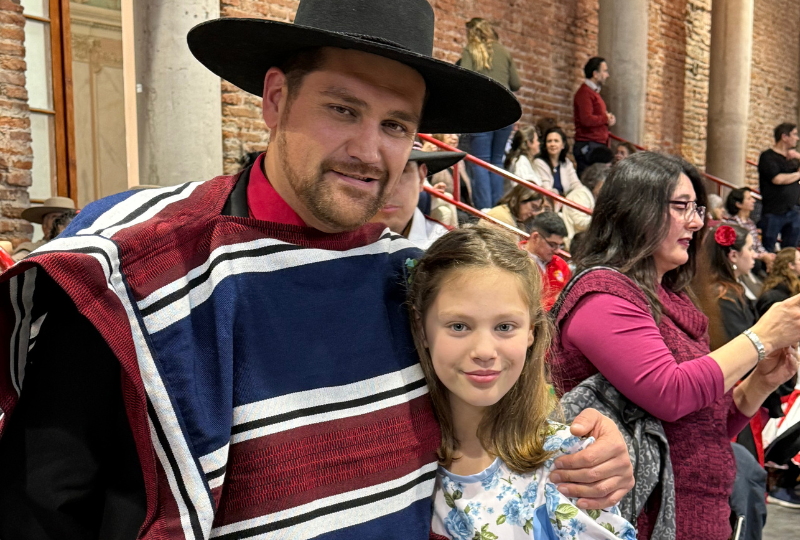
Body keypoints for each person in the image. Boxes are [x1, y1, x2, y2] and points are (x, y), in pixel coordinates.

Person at [0, 1, 634, 538]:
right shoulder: (140, 268)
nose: (368, 150)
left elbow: (491, 420)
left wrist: (586, 448)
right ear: (276, 99)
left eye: (395, 125)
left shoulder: (410, 279)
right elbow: (40, 504)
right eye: (342, 109)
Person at [550, 152, 800, 540]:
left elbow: (703, 426)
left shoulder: (675, 301)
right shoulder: (602, 296)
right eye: (682, 207)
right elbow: (671, 393)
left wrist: (761, 383)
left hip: (700, 515)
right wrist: (762, 337)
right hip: (641, 521)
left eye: (697, 208)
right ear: (637, 209)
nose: (696, 222)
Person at [408, 226, 636, 540]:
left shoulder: (569, 463)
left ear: (531, 330)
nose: (484, 351)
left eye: (505, 326)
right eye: (459, 326)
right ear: (422, 328)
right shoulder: (397, 465)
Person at [459, 18, 520, 209]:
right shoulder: (504, 52)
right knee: (496, 161)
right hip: (506, 111)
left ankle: (484, 211)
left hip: (481, 111)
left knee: (481, 162)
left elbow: (463, 77)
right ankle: (498, 210)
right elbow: (516, 83)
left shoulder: (471, 50)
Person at [371, 144, 465, 249]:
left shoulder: (451, 248)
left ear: (421, 177)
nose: (387, 191)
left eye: (400, 172)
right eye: (370, 174)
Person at [757, 122, 800, 252]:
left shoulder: (792, 158)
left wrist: (798, 156)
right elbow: (777, 179)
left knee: (790, 251)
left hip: (794, 209)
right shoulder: (767, 157)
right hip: (773, 211)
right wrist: (798, 174)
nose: (797, 138)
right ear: (784, 137)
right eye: (794, 134)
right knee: (768, 248)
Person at [573, 57, 615, 175]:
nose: (607, 75)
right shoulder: (585, 93)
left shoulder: (593, 93)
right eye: (604, 71)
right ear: (595, 74)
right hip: (589, 145)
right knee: (590, 179)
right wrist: (605, 118)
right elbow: (586, 119)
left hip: (596, 144)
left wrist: (607, 120)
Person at [521, 212, 571, 310]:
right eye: (552, 244)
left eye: (560, 245)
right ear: (535, 237)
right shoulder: (514, 262)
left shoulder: (561, 265)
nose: (557, 251)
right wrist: (556, 301)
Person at [12, 196, 77, 261]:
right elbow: (13, 263)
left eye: (68, 218)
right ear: (44, 225)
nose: (62, 223)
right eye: (56, 218)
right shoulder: (31, 250)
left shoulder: (79, 248)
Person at [724, 187, 775, 269]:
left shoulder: (750, 223)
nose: (753, 200)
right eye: (749, 198)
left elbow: (758, 246)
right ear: (738, 204)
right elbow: (739, 249)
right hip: (743, 259)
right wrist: (762, 256)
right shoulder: (732, 224)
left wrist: (767, 255)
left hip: (756, 258)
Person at [562, 163, 609, 247]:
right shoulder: (581, 193)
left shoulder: (594, 198)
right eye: (604, 184)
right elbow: (579, 222)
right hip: (573, 241)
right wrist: (601, 221)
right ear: (596, 181)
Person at [534, 126, 580, 196]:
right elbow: (546, 189)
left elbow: (576, 184)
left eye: (556, 141)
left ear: (563, 145)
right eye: (549, 141)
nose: (552, 144)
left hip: (566, 200)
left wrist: (581, 193)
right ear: (545, 145)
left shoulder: (566, 163)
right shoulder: (539, 162)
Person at [504, 124, 543, 189]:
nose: (538, 143)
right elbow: (523, 190)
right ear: (529, 143)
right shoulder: (521, 162)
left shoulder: (527, 161)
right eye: (537, 140)